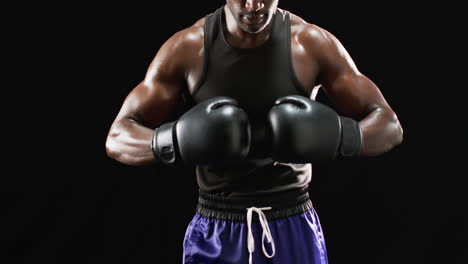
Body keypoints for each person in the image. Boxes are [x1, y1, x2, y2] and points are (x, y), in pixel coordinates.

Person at [105, 1, 403, 263]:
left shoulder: (310, 44)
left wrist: (339, 136)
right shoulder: (189, 49)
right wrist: (175, 141)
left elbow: (389, 126)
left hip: (293, 222)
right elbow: (117, 137)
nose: (253, 5)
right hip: (216, 229)